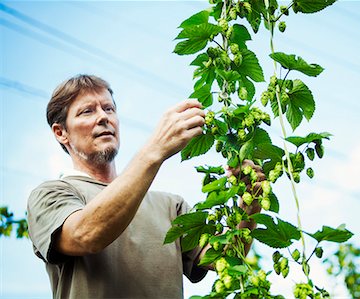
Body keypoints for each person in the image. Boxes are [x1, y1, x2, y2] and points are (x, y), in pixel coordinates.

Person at [27, 74, 262, 299]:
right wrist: (155, 150)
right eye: (87, 111)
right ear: (61, 133)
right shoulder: (50, 195)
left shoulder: (171, 206)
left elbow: (226, 255)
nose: (103, 117)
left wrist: (252, 199)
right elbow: (86, 235)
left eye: (109, 109)